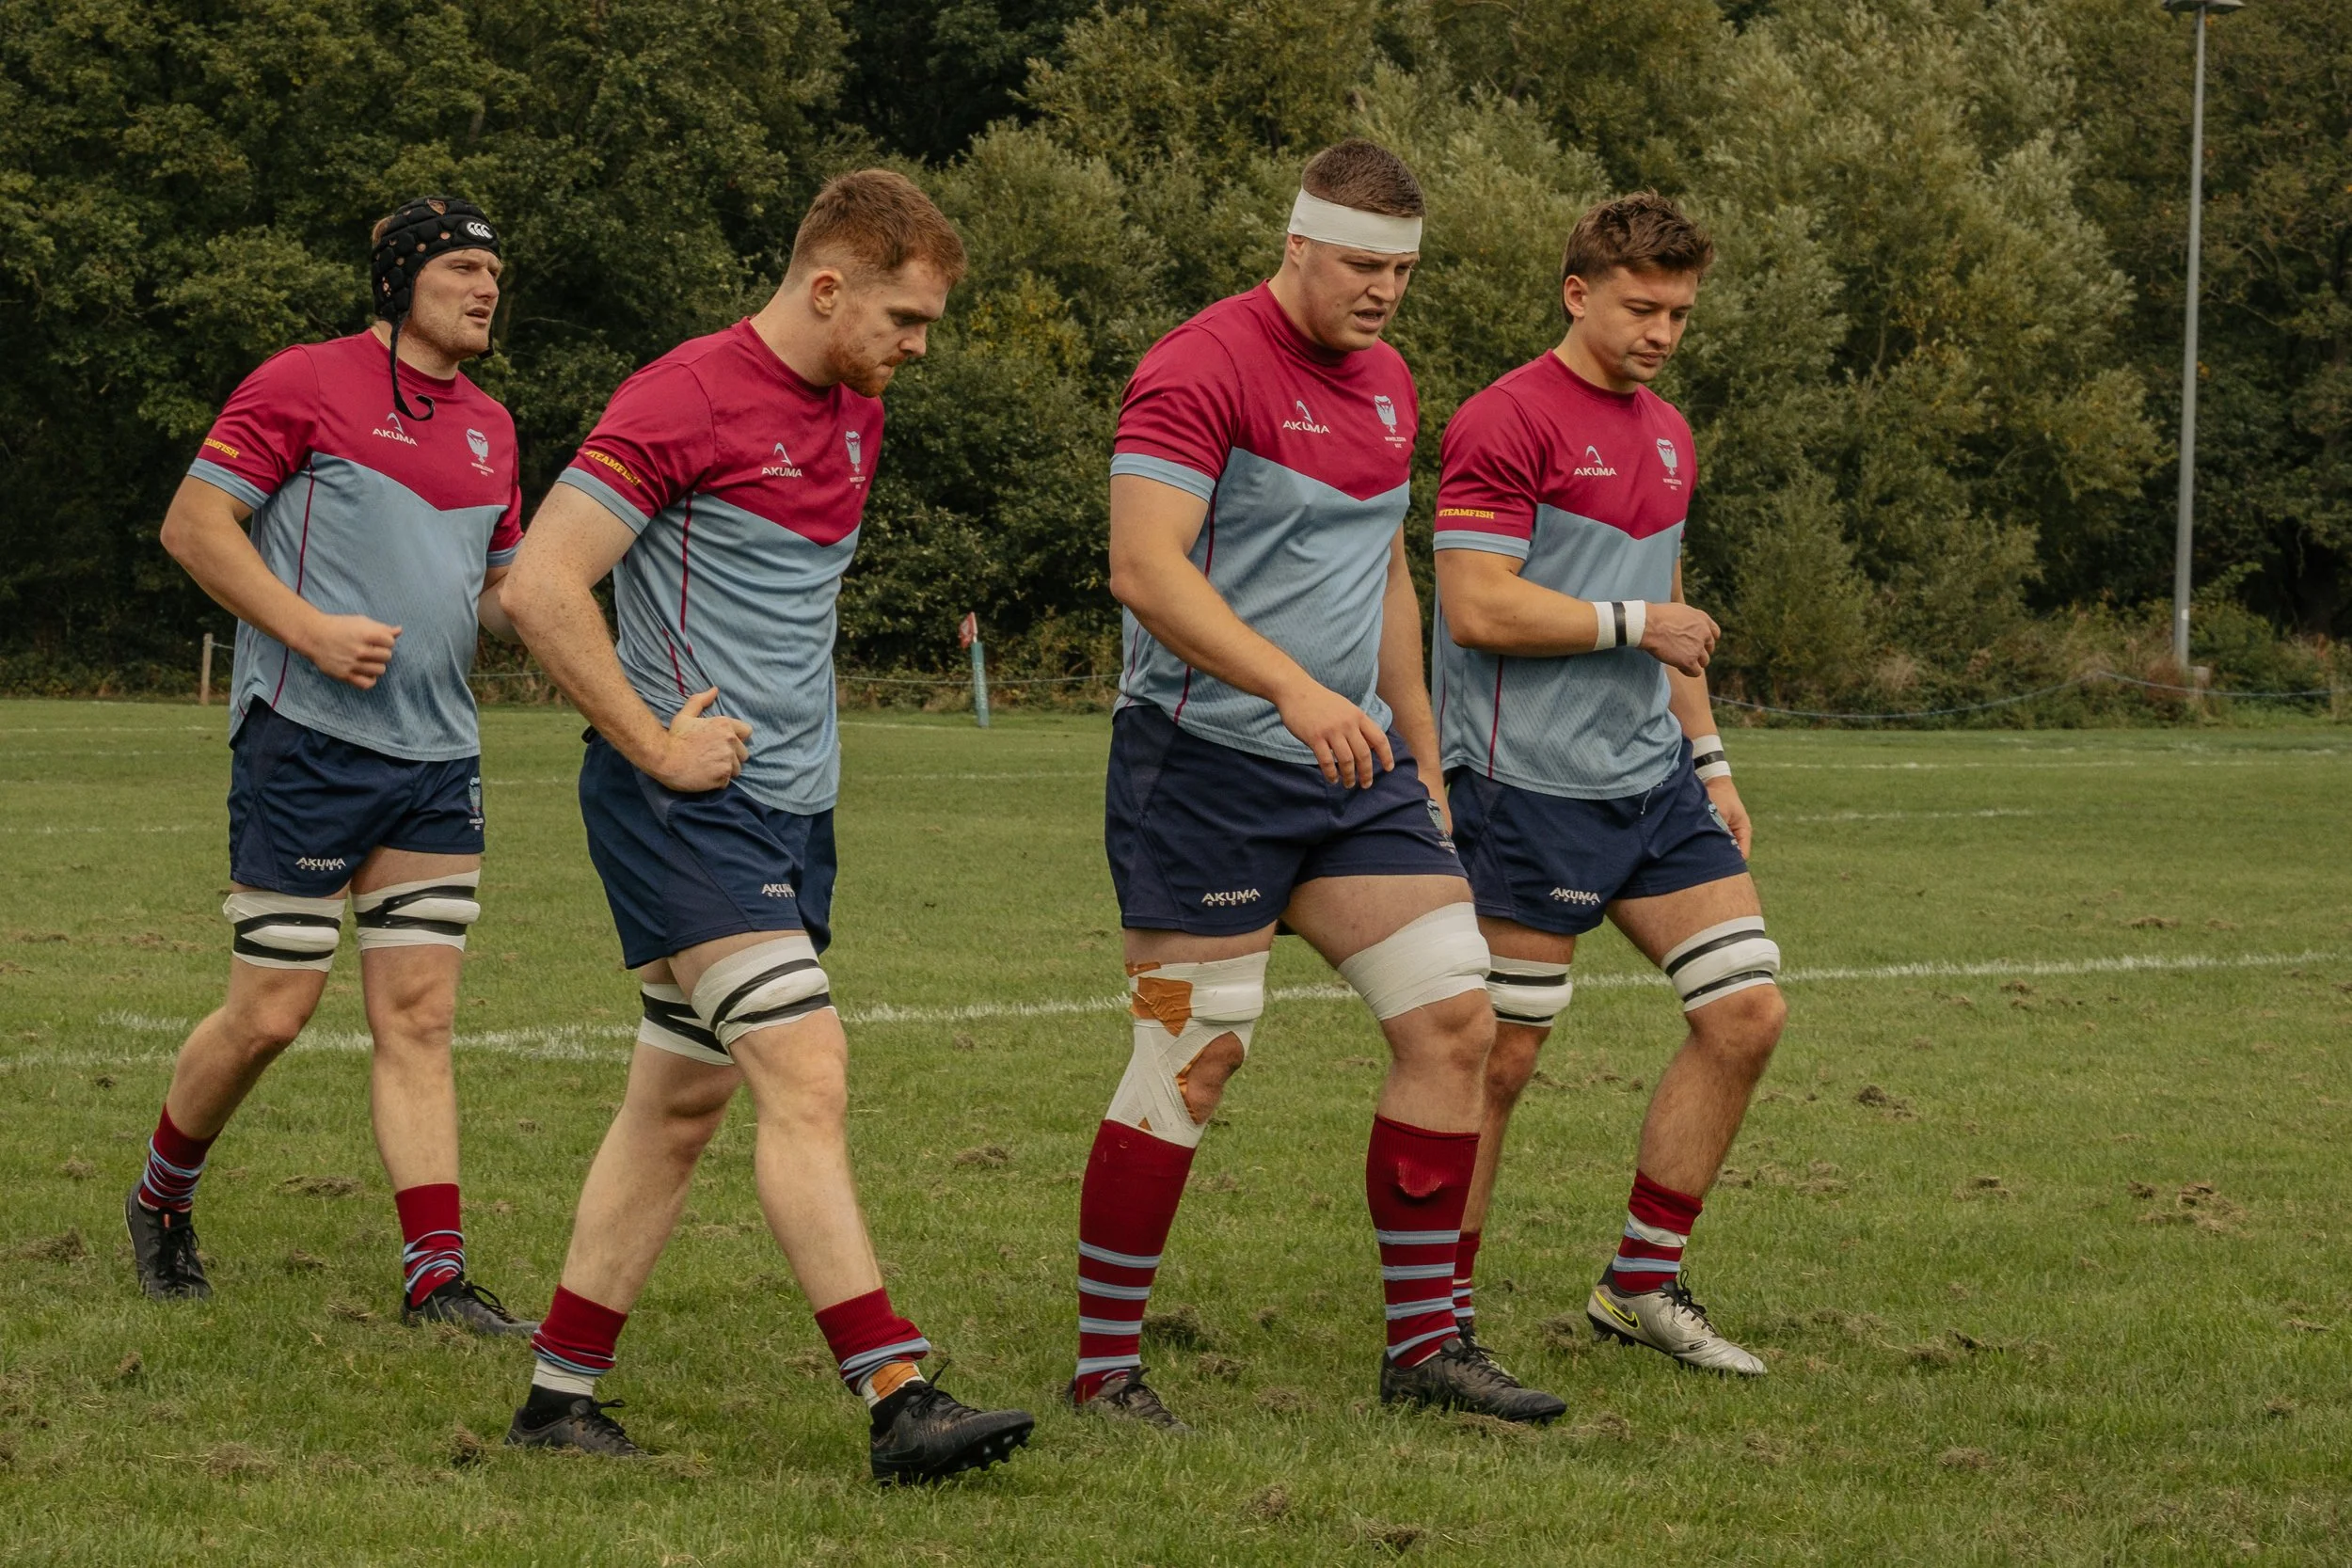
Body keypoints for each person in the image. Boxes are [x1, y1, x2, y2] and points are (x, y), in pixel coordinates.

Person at [495, 170, 1033, 1481]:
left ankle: (559, 1397)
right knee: (808, 1068)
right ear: (826, 282)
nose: (919, 345)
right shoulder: (685, 391)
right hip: (683, 805)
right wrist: (659, 744)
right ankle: (897, 1390)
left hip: (791, 808)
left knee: (678, 1100)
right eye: (905, 316)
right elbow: (539, 583)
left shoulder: (858, 411)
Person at [1070, 138, 1567, 1431]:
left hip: (1358, 777)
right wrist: (1292, 684)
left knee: (1458, 1017)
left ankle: (1424, 1349)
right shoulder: (1199, 365)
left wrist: (1419, 736)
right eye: (1360, 264)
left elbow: (1382, 564)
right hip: (1202, 771)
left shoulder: (1391, 381)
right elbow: (1144, 565)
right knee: (1194, 1046)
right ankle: (1105, 1364)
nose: (1383, 291)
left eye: (1401, 269)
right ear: (1296, 244)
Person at [126, 198, 532, 1338]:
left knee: (419, 1015)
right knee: (270, 1011)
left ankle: (435, 1278)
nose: (484, 286)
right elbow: (195, 524)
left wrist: (570, 599)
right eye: (461, 267)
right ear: (402, 279)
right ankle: (160, 1197)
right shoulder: (303, 382)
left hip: (438, 756)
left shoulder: (495, 427)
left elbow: (498, 593)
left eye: (493, 270)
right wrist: (307, 628)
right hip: (304, 738)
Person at [1430, 192, 1786, 1376]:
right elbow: (1477, 606)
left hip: (1652, 785)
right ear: (1577, 292)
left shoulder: (1671, 432)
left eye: (1680, 311)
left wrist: (1711, 758)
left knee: (1744, 1012)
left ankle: (1640, 1283)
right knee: (1503, 1057)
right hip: (1524, 784)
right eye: (1642, 306)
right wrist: (1637, 620)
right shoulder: (1504, 418)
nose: (1663, 331)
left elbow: (1671, 624)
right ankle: (1440, 1320)